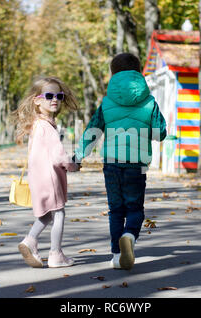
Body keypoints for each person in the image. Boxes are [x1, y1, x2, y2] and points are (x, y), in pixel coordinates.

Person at [73, 53, 167, 270]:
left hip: (112, 163)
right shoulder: (150, 102)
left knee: (116, 209)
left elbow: (93, 131)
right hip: (138, 163)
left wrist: (78, 156)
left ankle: (116, 255)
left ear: (113, 74)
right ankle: (130, 236)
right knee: (135, 208)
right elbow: (160, 133)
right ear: (139, 73)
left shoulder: (107, 102)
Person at [12, 76, 80, 268]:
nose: (55, 99)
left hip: (38, 178)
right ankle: (56, 254)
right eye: (49, 95)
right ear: (37, 100)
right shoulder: (46, 128)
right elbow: (59, 156)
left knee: (46, 215)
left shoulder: (37, 124)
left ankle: (30, 240)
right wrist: (73, 165)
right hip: (50, 178)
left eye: (59, 95)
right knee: (59, 214)